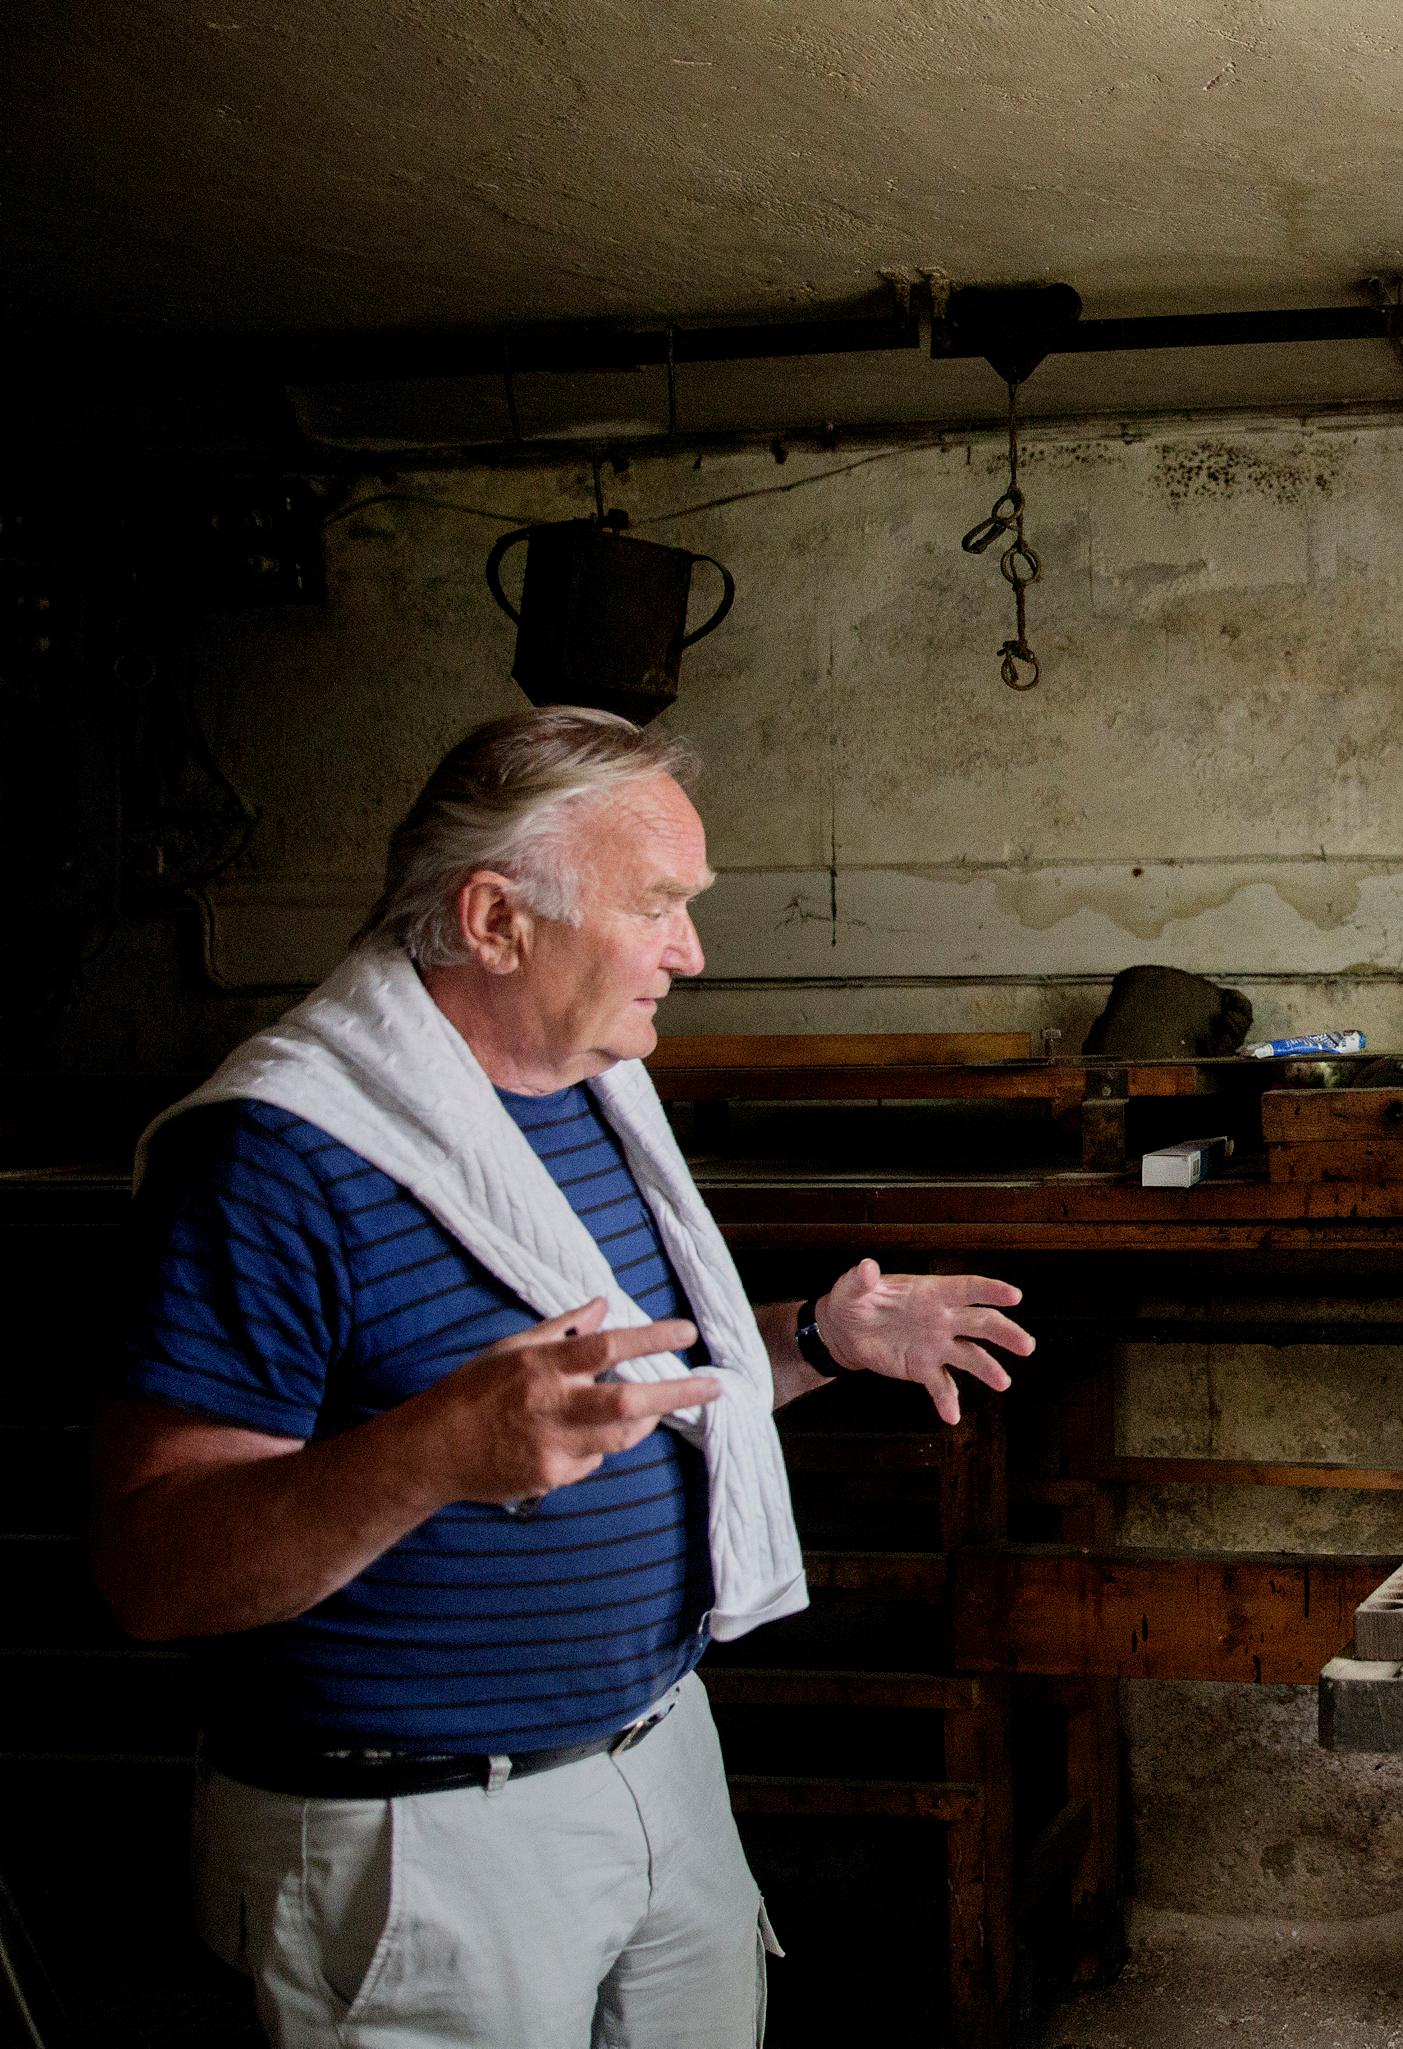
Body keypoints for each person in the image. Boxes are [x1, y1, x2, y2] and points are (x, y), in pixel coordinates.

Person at [92, 706, 1035, 2048]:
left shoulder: (591, 1089)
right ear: (494, 920)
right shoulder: (277, 1155)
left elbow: (600, 1402)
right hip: (419, 1840)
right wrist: (431, 1450)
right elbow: (150, 1565)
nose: (692, 951)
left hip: (653, 1761)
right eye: (657, 905)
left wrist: (818, 1339)